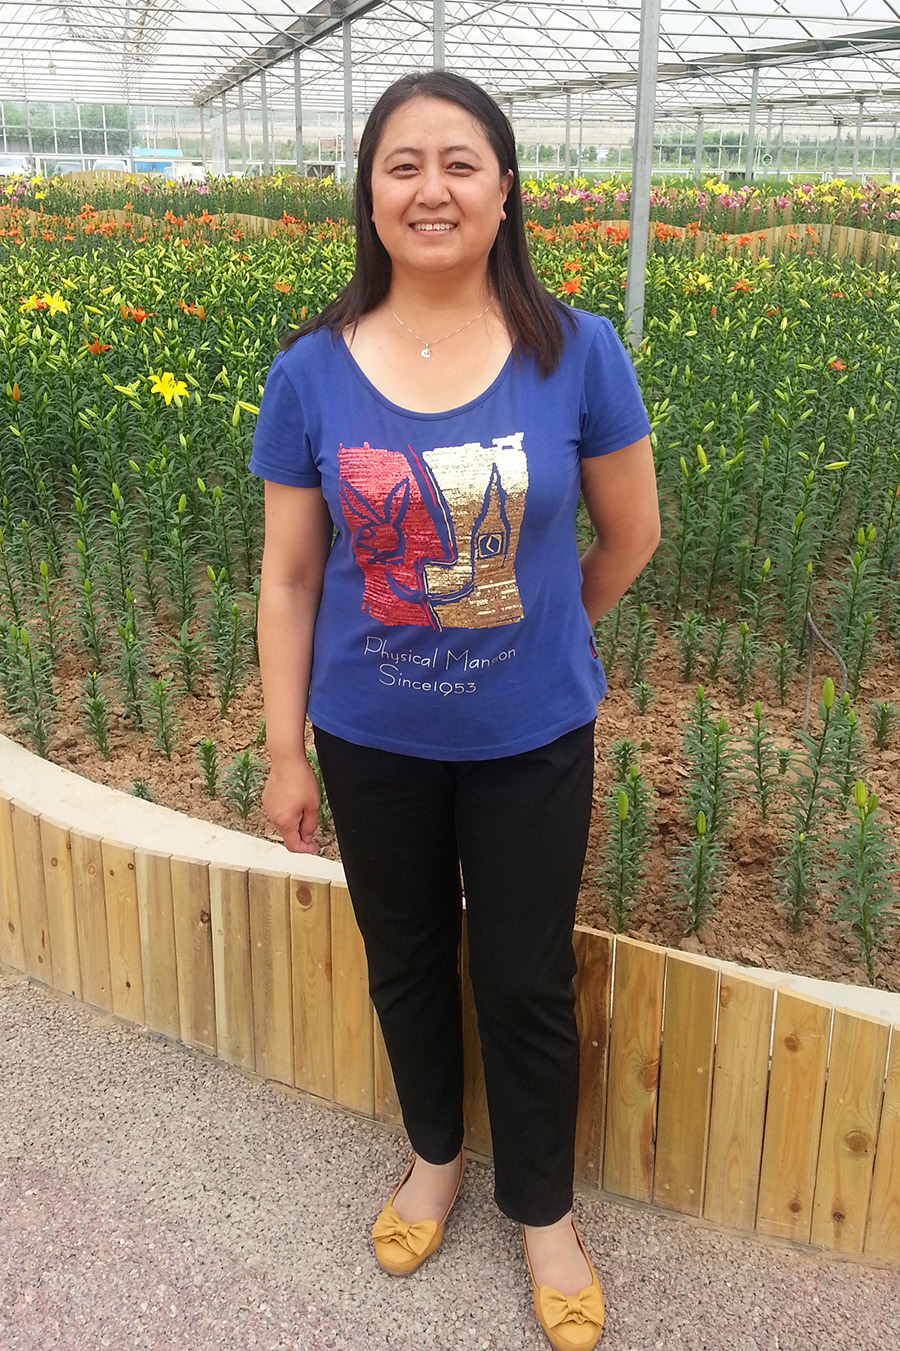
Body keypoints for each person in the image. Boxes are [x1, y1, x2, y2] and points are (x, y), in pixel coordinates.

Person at [250, 70, 659, 1351]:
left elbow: (632, 534)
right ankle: (435, 1156)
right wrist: (283, 750)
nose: (432, 188)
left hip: (531, 737)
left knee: (525, 975)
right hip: (371, 741)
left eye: (460, 162)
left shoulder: (577, 351)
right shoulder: (310, 373)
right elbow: (290, 576)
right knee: (408, 957)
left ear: (506, 190)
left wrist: (548, 629)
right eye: (403, 164)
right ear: (369, 196)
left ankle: (545, 1212)